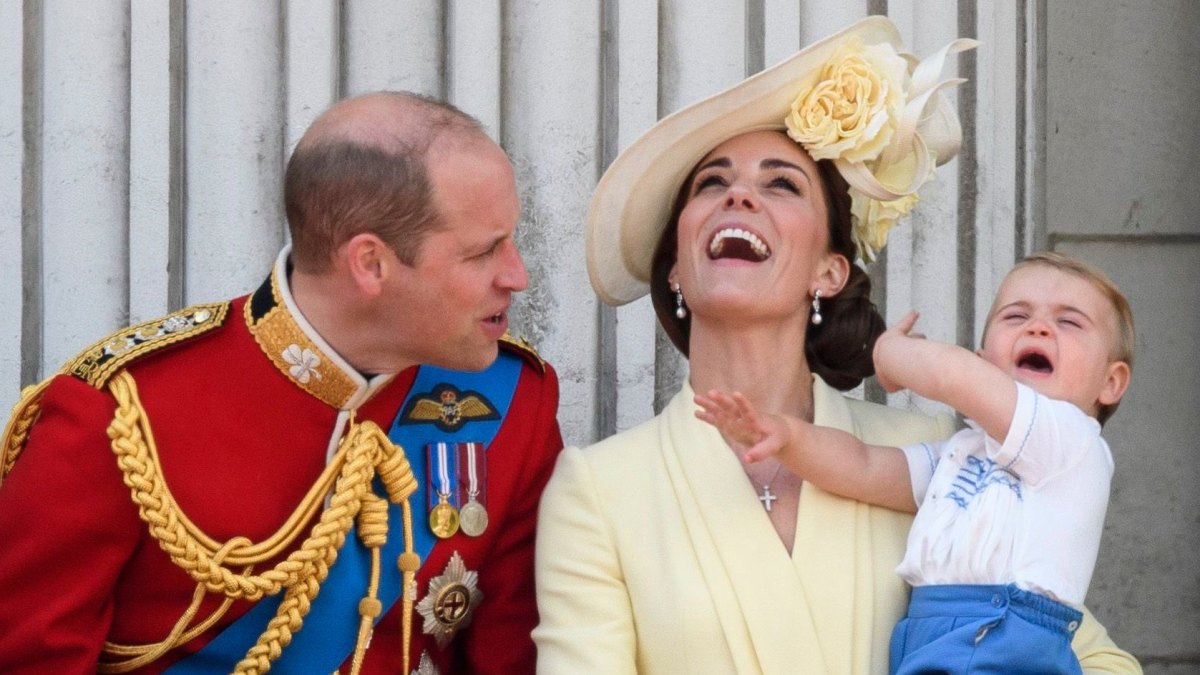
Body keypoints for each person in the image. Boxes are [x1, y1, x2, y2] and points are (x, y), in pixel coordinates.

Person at [533, 16, 1140, 674]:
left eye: (781, 183)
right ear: (675, 266)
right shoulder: (596, 490)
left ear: (829, 270)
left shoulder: (937, 445)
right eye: (712, 182)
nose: (738, 194)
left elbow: (1093, 657)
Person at [0, 91, 563, 675]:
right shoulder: (119, 415)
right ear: (370, 263)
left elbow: (516, 659)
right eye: (483, 252)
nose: (516, 275)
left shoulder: (514, 402)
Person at [696, 251, 1134, 674]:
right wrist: (788, 436)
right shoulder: (964, 450)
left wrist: (889, 354)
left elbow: (955, 377)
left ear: (1110, 383)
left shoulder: (1072, 443)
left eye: (1069, 321)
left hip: (1005, 636)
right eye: (1016, 316)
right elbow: (863, 467)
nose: (1038, 328)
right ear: (986, 360)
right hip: (931, 632)